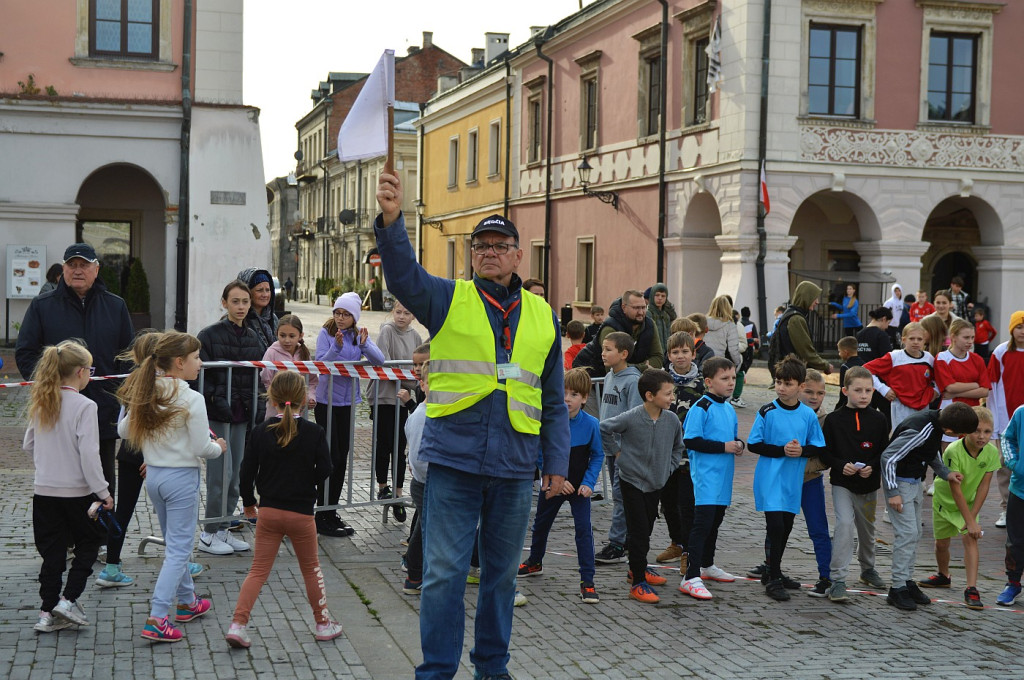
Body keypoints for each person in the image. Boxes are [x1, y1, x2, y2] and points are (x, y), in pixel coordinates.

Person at [375, 170, 570, 680]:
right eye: (480, 245)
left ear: (516, 254)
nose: (489, 252)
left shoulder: (543, 315)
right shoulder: (448, 298)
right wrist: (393, 221)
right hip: (454, 461)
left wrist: (556, 464)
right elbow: (402, 278)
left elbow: (552, 398)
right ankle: (437, 671)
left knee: (501, 577)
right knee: (443, 575)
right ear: (472, 254)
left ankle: (492, 668)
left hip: (514, 466)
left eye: (500, 244)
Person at [16, 243, 134, 536]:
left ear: (96, 270)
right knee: (63, 474)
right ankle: (65, 538)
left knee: (102, 473)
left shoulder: (115, 305)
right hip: (57, 409)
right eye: (72, 265)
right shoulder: (42, 306)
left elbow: (128, 356)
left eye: (84, 265)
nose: (78, 270)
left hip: (103, 408)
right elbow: (26, 353)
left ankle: (98, 537)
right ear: (63, 270)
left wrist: (118, 392)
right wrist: (52, 386)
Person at [117, 331, 226, 642]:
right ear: (179, 362)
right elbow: (201, 447)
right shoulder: (192, 397)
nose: (200, 363)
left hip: (155, 476)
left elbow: (124, 431)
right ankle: (158, 616)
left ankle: (188, 602)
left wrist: (134, 401)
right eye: (196, 358)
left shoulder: (148, 391)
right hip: (180, 478)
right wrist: (218, 446)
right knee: (178, 550)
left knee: (173, 543)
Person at [225, 370, 340, 648]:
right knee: (311, 569)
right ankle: (323, 624)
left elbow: (246, 471)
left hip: (270, 511)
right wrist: (304, 483)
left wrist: (249, 502)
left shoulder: (261, 431)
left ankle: (238, 624)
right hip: (301, 512)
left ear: (272, 398)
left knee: (258, 571)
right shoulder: (314, 432)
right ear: (303, 398)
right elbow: (326, 468)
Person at [25, 340, 112, 633]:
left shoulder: (42, 401)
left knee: (52, 553)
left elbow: (28, 443)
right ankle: (68, 599)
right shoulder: (85, 405)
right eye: (90, 369)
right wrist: (103, 491)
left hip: (44, 490)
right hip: (76, 491)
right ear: (79, 371)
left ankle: (46, 612)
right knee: (90, 542)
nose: (91, 374)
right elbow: (89, 454)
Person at [519, 368, 604, 603]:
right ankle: (535, 561)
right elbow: (539, 452)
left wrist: (588, 483)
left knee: (584, 530)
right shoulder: (548, 421)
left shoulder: (591, 424)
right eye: (563, 393)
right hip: (553, 484)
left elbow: (597, 455)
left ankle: (588, 580)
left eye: (574, 394)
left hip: (579, 489)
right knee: (541, 524)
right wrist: (555, 477)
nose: (567, 398)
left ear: (585, 398)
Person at [881, 402, 976, 611]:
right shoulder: (920, 430)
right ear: (950, 430)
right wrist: (893, 492)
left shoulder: (935, 424)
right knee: (906, 534)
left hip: (915, 482)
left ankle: (906, 581)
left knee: (915, 533)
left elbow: (929, 451)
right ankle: (896, 588)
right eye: (959, 434)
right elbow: (888, 458)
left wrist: (945, 472)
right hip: (901, 484)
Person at [600, 369, 684, 604]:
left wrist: (668, 468)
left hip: (656, 482)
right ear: (649, 395)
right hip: (631, 481)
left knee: (646, 528)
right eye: (667, 394)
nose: (671, 398)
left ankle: (636, 567)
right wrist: (618, 454)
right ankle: (638, 582)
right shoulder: (632, 416)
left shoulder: (671, 420)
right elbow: (605, 428)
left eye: (672, 393)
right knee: (638, 532)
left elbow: (678, 447)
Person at [748, 355, 826, 601]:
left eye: (788, 383)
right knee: (776, 526)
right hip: (770, 479)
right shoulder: (767, 411)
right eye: (779, 382)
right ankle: (772, 578)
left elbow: (818, 446)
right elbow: (753, 444)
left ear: (800, 386)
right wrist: (781, 450)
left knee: (787, 527)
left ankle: (775, 570)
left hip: (793, 481)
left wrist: (802, 451)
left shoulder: (807, 415)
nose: (782, 388)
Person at [196, 280, 264, 555]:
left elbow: (257, 376)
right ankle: (209, 532)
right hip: (217, 414)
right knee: (219, 476)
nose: (241, 307)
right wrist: (214, 398)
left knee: (235, 476)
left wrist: (255, 405)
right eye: (235, 301)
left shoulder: (253, 338)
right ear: (224, 303)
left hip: (242, 414)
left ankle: (223, 529)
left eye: (245, 302)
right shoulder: (209, 335)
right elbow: (199, 374)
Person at [313, 292, 385, 537]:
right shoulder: (327, 333)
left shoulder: (358, 335)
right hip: (327, 401)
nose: (340, 318)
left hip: (347, 403)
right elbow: (321, 365)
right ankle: (321, 511)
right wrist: (336, 347)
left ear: (354, 317)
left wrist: (364, 344)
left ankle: (331, 510)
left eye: (345, 314)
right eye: (337, 313)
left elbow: (380, 361)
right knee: (329, 456)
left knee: (342, 456)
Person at [917, 406, 999, 609]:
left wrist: (972, 518)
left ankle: (971, 588)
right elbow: (955, 489)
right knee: (941, 544)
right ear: (966, 431)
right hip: (945, 502)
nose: (981, 436)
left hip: (968, 502)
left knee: (971, 539)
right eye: (977, 431)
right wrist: (969, 521)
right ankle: (943, 575)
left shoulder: (991, 453)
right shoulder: (953, 450)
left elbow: (984, 486)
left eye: (987, 432)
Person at [97, 330, 161, 589]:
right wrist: (154, 456)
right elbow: (158, 425)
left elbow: (124, 418)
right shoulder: (159, 383)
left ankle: (112, 566)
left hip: (130, 451)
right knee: (171, 513)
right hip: (152, 453)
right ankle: (182, 560)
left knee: (123, 510)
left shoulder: (132, 379)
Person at [820, 366, 890, 603]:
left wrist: (872, 466)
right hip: (842, 483)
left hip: (869, 485)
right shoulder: (833, 420)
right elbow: (825, 453)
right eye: (858, 390)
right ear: (845, 390)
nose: (863, 395)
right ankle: (837, 579)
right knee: (845, 525)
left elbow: (883, 451)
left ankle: (868, 569)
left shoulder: (880, 419)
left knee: (867, 530)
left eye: (868, 390)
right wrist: (841, 465)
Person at [678, 356, 744, 601]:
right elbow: (692, 440)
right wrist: (724, 447)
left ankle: (707, 565)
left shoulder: (728, 408)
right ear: (708, 381)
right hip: (705, 477)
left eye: (733, 378)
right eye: (724, 378)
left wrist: (739, 444)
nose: (730, 383)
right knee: (702, 525)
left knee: (715, 522)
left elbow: (731, 438)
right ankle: (690, 576)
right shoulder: (701, 407)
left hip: (723, 477)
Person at [369, 299, 423, 522]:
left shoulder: (416, 336)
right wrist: (411, 379)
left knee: (400, 448)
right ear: (393, 312)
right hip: (383, 397)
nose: (401, 316)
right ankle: (383, 487)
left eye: (407, 312)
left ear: (413, 316)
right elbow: (387, 365)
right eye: (398, 312)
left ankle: (398, 494)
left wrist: (412, 380)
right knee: (383, 446)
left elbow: (420, 366)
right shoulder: (387, 331)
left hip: (403, 398)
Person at [593, 332, 643, 564]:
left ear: (624, 354)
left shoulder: (633, 381)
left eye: (609, 349)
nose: (603, 353)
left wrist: (623, 449)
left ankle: (617, 544)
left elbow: (634, 417)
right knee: (618, 496)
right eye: (603, 348)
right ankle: (625, 539)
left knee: (622, 497)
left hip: (624, 450)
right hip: (611, 447)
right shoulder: (610, 375)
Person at [656, 331, 703, 569]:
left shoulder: (702, 384)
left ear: (693, 354)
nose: (680, 356)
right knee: (667, 501)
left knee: (687, 503)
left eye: (685, 351)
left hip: (690, 455)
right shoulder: (661, 381)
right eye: (675, 352)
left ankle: (688, 550)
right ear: (669, 355)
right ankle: (676, 542)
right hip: (665, 453)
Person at [987, 311, 1024, 529]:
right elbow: (992, 386)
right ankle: (1006, 508)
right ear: (1012, 329)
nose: (1023, 331)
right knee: (1005, 465)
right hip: (1006, 418)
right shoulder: (1001, 352)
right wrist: (994, 418)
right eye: (1019, 327)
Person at [573, 290, 664, 375]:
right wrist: (642, 368)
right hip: (590, 375)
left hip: (628, 379)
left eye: (643, 307)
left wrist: (633, 368)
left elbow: (658, 357)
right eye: (636, 308)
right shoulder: (610, 328)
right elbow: (612, 367)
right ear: (624, 307)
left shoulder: (650, 324)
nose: (641, 312)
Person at [865, 322, 937, 429]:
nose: (915, 342)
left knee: (921, 438)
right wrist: (884, 390)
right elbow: (866, 369)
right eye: (911, 338)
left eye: (919, 339)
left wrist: (936, 391)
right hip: (900, 405)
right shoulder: (895, 356)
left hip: (923, 405)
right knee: (902, 436)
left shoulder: (928, 358)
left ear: (924, 341)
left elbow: (939, 377)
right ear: (903, 340)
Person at [403, 357, 431, 596]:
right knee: (425, 528)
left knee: (426, 526)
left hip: (428, 481)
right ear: (422, 385)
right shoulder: (422, 416)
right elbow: (420, 457)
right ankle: (414, 574)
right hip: (426, 482)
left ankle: (417, 570)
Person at [769, 281, 832, 376]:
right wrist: (825, 365)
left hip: (789, 371)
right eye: (815, 298)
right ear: (806, 297)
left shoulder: (791, 314)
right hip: (793, 373)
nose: (817, 302)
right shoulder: (796, 319)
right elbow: (805, 351)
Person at [260, 314, 317, 419]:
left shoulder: (304, 353)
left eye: (291, 336)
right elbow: (266, 380)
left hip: (299, 412)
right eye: (282, 335)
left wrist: (310, 397)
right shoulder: (271, 352)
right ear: (277, 334)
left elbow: (312, 380)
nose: (287, 340)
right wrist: (277, 399)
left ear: (300, 336)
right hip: (276, 411)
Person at [997, 401, 1024, 605]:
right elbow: (1007, 438)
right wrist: (1014, 463)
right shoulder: (1021, 412)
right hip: (1020, 490)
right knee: (1015, 540)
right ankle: (1012, 583)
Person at [237, 268, 279, 353]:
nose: (265, 294)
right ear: (248, 292)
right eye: (259, 290)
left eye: (267, 290)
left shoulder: (273, 318)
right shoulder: (240, 319)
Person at [704, 295, 744, 375]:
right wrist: (737, 363)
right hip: (719, 362)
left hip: (704, 360)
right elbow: (733, 350)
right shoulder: (729, 325)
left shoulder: (704, 322)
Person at [733, 306, 760, 408]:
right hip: (747, 349)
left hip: (739, 348)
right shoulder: (751, 324)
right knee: (742, 370)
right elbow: (755, 336)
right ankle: (736, 397)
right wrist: (757, 347)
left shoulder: (739, 323)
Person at [647, 283, 677, 364]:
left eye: (663, 296)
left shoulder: (666, 315)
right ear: (652, 296)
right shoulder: (648, 314)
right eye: (657, 295)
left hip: (666, 354)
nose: (660, 298)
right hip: (653, 354)